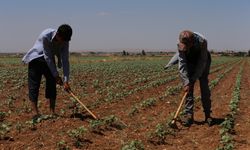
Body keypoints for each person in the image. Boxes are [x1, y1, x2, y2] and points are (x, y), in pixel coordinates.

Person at [22, 24, 72, 119]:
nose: (63, 43)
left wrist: (66, 80)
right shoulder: (46, 35)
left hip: (48, 59)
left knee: (52, 84)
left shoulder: (65, 41)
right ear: (57, 34)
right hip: (36, 58)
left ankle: (52, 112)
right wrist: (56, 75)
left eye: (65, 41)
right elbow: (48, 57)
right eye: (62, 40)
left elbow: (65, 60)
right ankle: (36, 113)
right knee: (34, 85)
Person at [165, 30, 212, 127]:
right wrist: (186, 82)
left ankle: (208, 115)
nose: (185, 48)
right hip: (189, 61)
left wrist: (194, 78)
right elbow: (182, 64)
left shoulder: (202, 42)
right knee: (188, 89)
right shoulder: (180, 43)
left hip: (203, 61)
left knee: (204, 87)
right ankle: (189, 115)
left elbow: (201, 63)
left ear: (192, 42)